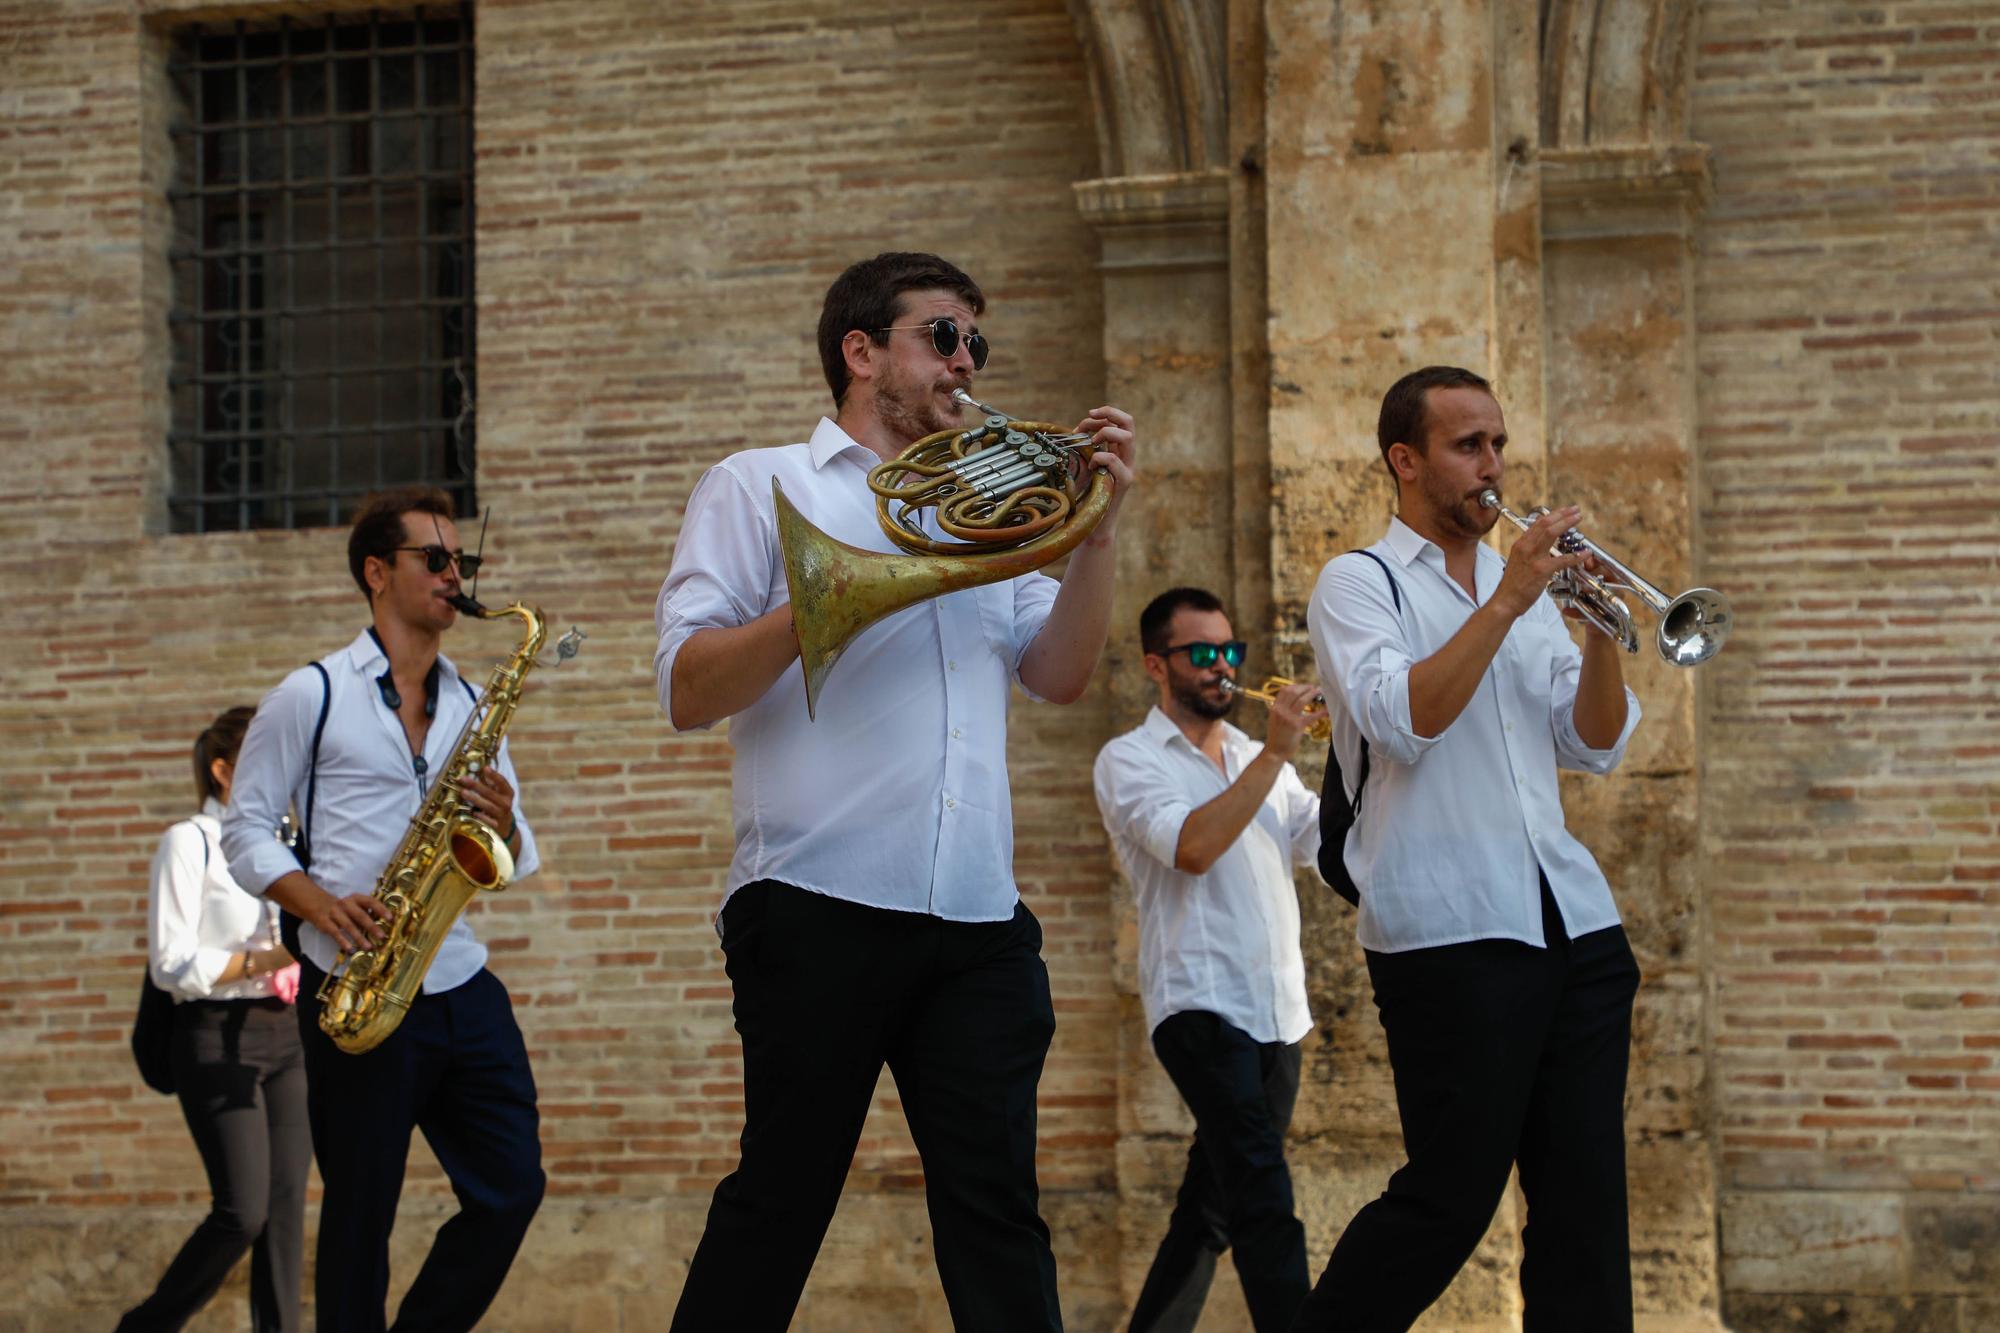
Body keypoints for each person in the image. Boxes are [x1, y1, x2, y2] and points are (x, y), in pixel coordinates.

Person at [655, 251, 1137, 1331]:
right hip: (815, 901)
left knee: (999, 1212)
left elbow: (1056, 676)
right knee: (781, 1202)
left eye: (976, 343)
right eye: (940, 336)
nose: (963, 362)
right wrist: (830, 603)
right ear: (860, 351)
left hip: (975, 918)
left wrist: (1095, 532)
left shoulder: (996, 502)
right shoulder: (757, 482)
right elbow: (687, 688)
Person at [1294, 366, 1644, 1331]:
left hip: (1575, 926)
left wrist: (1597, 631)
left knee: (1584, 1210)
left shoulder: (1523, 586)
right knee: (1447, 1200)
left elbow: (1597, 743)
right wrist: (1512, 598)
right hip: (1451, 929)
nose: (1492, 465)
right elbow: (1405, 720)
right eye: (1467, 445)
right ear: (1405, 460)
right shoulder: (1357, 583)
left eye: (1497, 442)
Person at [222, 485, 544, 1333]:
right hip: (357, 979)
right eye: (434, 559)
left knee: (513, 1187)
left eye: (460, 561)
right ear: (377, 572)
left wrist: (506, 816)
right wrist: (320, 906)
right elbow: (245, 829)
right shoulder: (312, 693)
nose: (455, 576)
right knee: (361, 1216)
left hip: (459, 978)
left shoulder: (477, 703)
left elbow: (522, 851)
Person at [1092, 587, 1324, 1333]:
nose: (1223, 667)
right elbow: (1190, 846)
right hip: (1199, 1004)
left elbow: (1331, 846)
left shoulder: (1260, 759)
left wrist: (1362, 744)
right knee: (1262, 1193)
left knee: (1211, 1211)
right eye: (1203, 653)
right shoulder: (1128, 760)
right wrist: (1282, 750)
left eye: (1231, 651)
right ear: (1158, 665)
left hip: (1279, 1012)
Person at [119, 706, 306, 1333]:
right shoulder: (188, 841)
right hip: (215, 1034)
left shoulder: (288, 841)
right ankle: (145, 1327)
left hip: (288, 1033)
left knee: (285, 1212)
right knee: (243, 1210)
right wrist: (272, 956)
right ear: (224, 771)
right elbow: (171, 963)